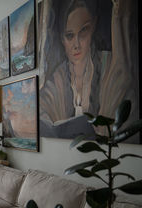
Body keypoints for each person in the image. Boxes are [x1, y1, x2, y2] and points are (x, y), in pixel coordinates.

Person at [39, 0, 138, 141]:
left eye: (83, 31)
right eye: (70, 36)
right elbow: (41, 110)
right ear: (62, 39)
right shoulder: (57, 78)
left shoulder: (112, 67)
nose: (76, 45)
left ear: (93, 27)